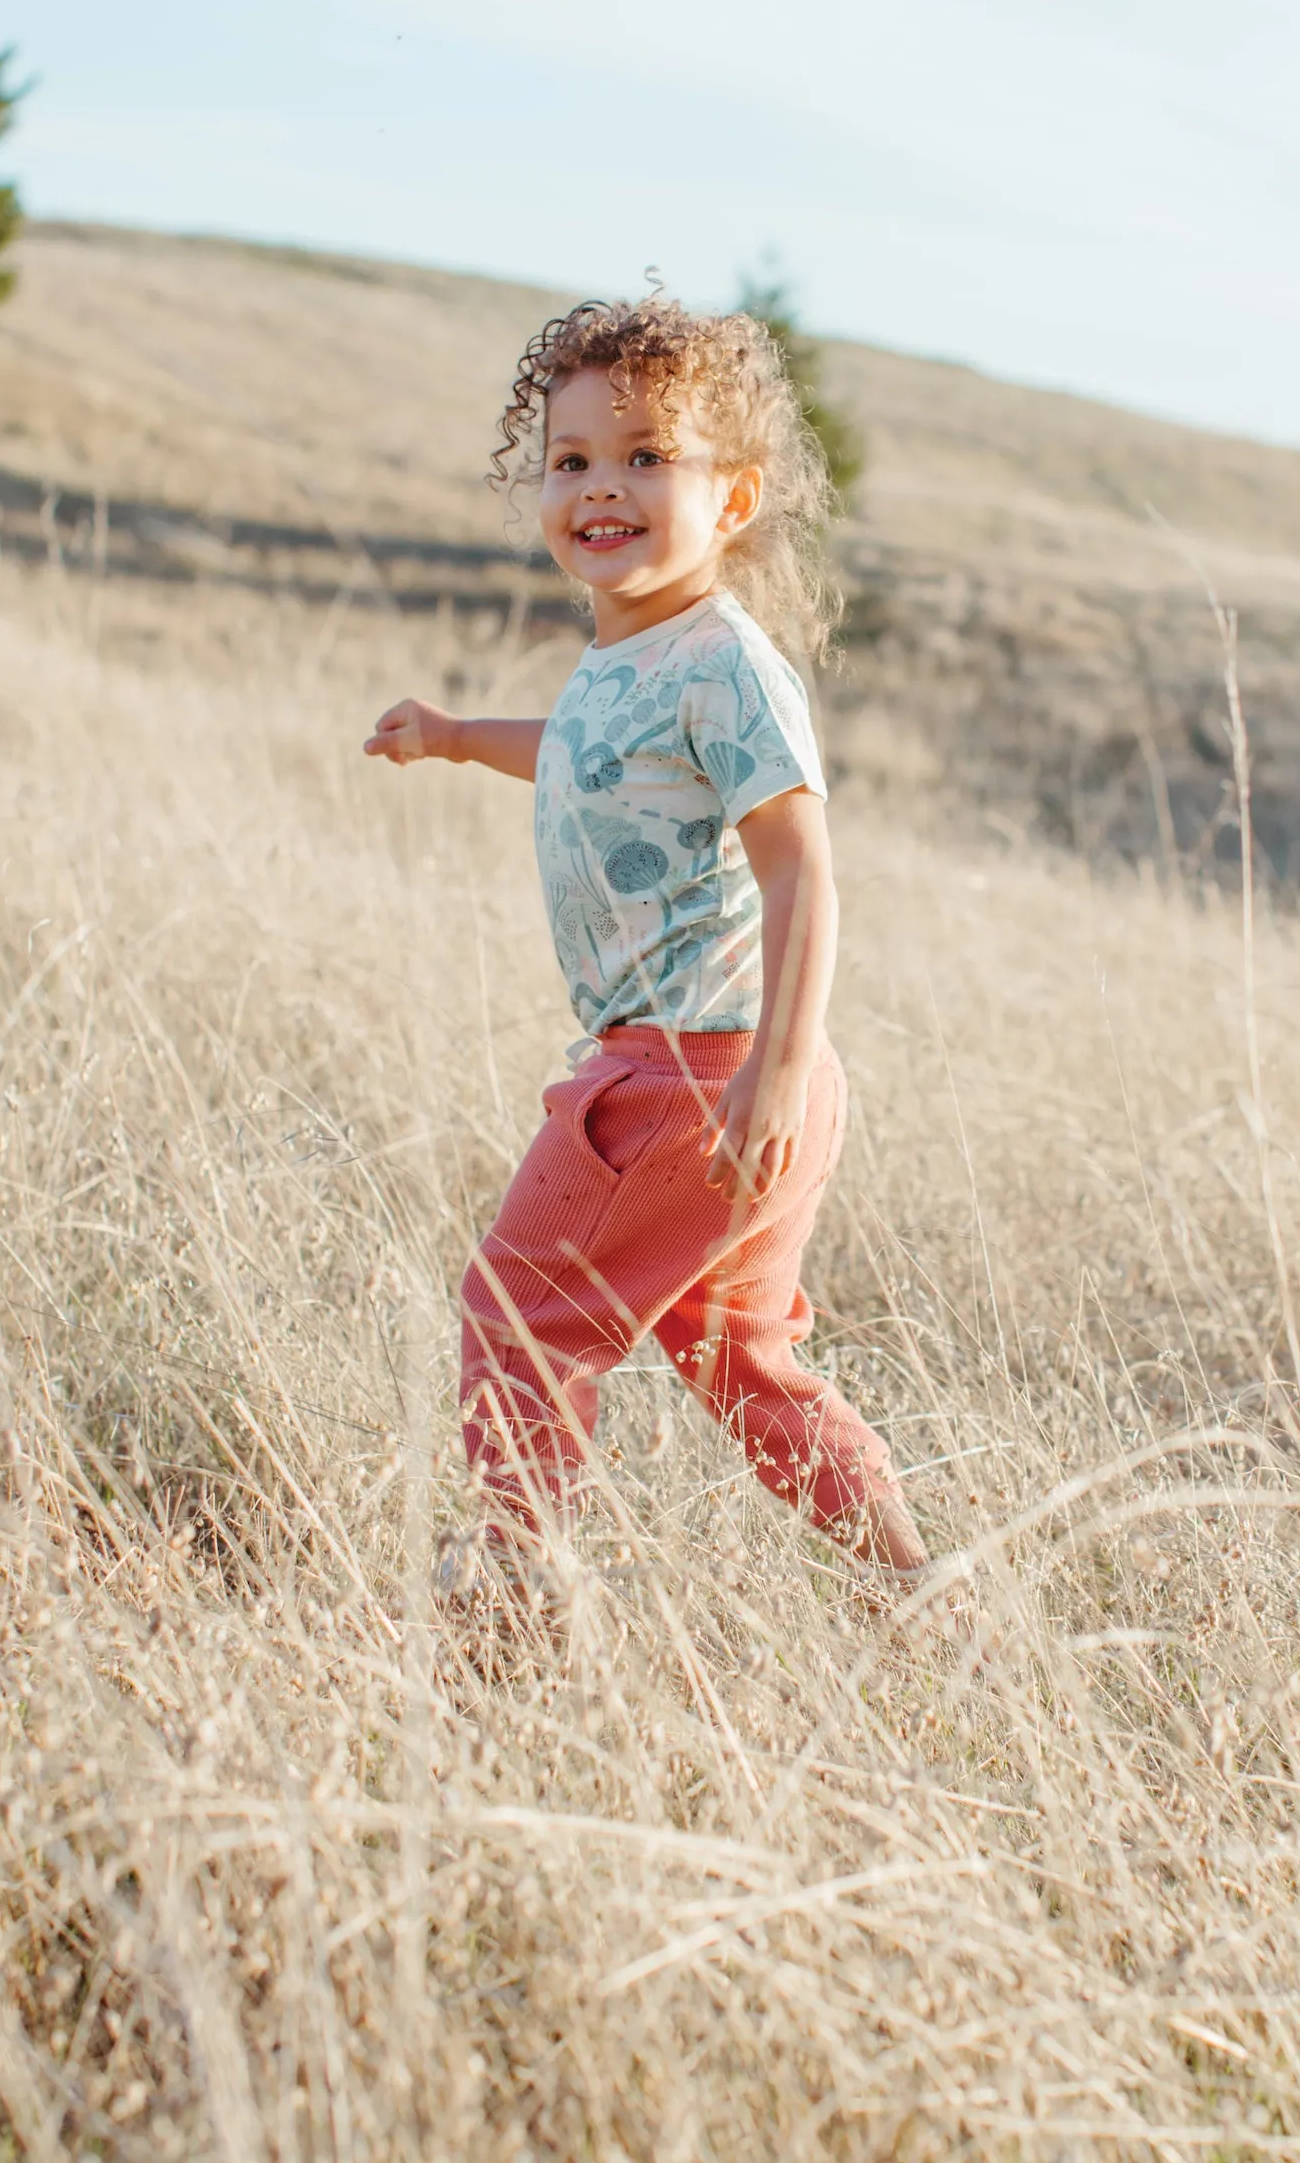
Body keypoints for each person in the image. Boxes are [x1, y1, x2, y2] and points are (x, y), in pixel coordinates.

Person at [364, 293, 928, 1626]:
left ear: (732, 500)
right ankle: (918, 1593)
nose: (601, 489)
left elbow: (802, 868)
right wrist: (454, 735)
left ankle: (512, 1586)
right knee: (743, 1356)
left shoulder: (725, 665)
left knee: (518, 1310)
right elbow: (580, 750)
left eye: (646, 457)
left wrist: (778, 1072)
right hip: (720, 1073)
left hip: (695, 1075)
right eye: (571, 461)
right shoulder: (625, 660)